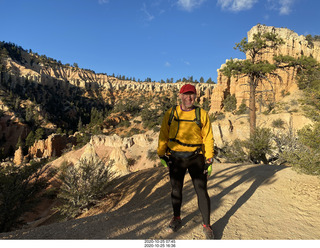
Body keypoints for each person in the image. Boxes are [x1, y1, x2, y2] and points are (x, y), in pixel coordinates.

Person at [157, 84, 214, 239]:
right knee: (176, 190)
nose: (189, 98)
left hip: (196, 158)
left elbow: (208, 137)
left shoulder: (201, 114)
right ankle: (176, 218)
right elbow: (163, 135)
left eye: (192, 95)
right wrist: (161, 154)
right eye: (186, 94)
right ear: (180, 96)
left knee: (201, 191)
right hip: (175, 158)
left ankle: (207, 225)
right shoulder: (171, 113)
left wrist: (209, 159)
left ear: (196, 96)